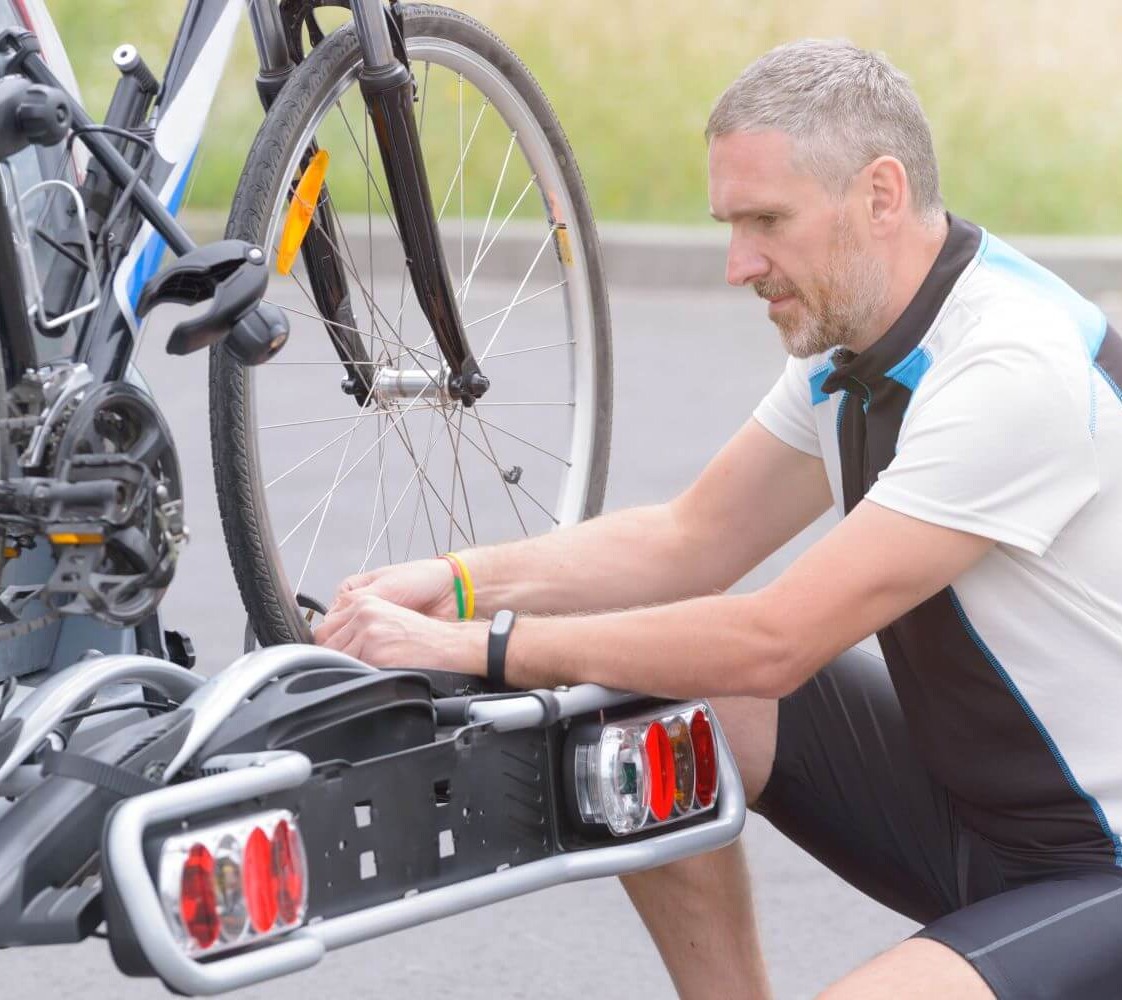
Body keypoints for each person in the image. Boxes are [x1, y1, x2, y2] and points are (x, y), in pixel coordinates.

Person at [312, 38, 1122, 999]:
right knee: (637, 688)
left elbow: (776, 641)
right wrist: (454, 585)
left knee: (652, 655)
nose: (740, 264)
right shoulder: (855, 338)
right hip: (981, 822)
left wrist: (482, 645)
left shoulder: (1010, 366)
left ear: (881, 193)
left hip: (1101, 868)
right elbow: (689, 539)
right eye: (730, 225)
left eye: (768, 221)